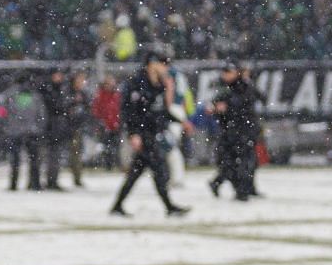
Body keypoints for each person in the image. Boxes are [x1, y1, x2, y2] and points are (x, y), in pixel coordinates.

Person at [108, 50, 189, 217]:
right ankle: (169, 206)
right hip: (144, 135)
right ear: (152, 64)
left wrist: (181, 122)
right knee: (158, 171)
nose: (166, 68)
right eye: (163, 64)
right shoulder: (136, 83)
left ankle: (118, 205)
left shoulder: (159, 83)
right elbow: (129, 112)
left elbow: (160, 110)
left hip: (152, 133)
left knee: (136, 173)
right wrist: (134, 134)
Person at [208, 60, 262, 201]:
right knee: (232, 162)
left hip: (243, 130)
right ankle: (239, 189)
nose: (225, 75)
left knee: (246, 161)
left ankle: (243, 189)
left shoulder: (243, 85)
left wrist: (227, 107)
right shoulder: (224, 86)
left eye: (229, 72)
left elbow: (247, 103)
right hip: (230, 131)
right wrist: (216, 109)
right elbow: (215, 105)